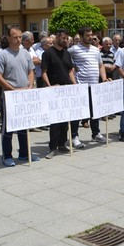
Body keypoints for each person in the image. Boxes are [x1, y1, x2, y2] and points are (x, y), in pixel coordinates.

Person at [0, 26, 36, 166]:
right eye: (15, 37)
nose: (18, 40)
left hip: (24, 94)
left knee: (24, 125)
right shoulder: (2, 54)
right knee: (8, 127)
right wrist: (10, 89)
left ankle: (24, 153)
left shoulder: (25, 53)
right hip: (9, 96)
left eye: (20, 37)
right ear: (9, 38)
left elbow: (31, 71)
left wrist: (30, 85)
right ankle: (7, 156)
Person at [68, 27, 107, 146]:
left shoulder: (96, 50)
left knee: (95, 111)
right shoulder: (73, 50)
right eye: (87, 35)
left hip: (94, 86)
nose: (90, 37)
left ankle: (96, 133)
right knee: (78, 113)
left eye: (91, 35)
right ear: (81, 36)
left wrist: (104, 78)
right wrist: (74, 82)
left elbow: (101, 66)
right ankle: (74, 136)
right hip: (80, 87)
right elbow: (69, 67)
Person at [42, 29, 77, 157]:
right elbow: (44, 72)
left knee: (65, 118)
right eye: (63, 38)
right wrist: (50, 86)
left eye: (67, 38)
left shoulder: (67, 53)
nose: (65, 41)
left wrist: (74, 85)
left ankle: (62, 144)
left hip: (67, 91)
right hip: (55, 91)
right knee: (55, 121)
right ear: (57, 38)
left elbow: (70, 71)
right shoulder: (48, 53)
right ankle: (52, 147)